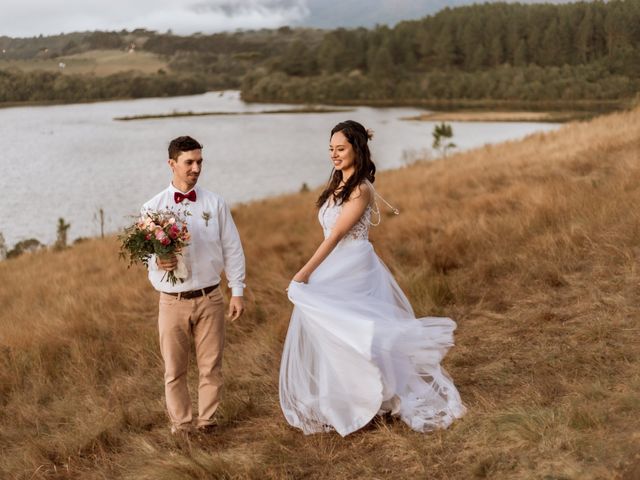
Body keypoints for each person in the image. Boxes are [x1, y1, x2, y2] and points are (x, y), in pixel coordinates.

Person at [279, 121, 465, 436]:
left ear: (357, 149)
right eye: (331, 149)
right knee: (335, 334)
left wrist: (303, 273)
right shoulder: (337, 185)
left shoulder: (361, 188)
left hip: (353, 265)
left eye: (340, 149)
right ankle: (346, 399)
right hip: (334, 267)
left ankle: (370, 400)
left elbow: (337, 235)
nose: (334, 155)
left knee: (358, 332)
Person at [142, 135, 246, 435]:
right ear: (172, 164)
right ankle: (182, 426)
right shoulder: (152, 209)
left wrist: (237, 290)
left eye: (200, 161)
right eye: (189, 162)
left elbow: (232, 248)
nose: (196, 168)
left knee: (211, 367)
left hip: (210, 297)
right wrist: (157, 262)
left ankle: (208, 423)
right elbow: (145, 255)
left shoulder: (215, 203)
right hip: (171, 301)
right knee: (174, 371)